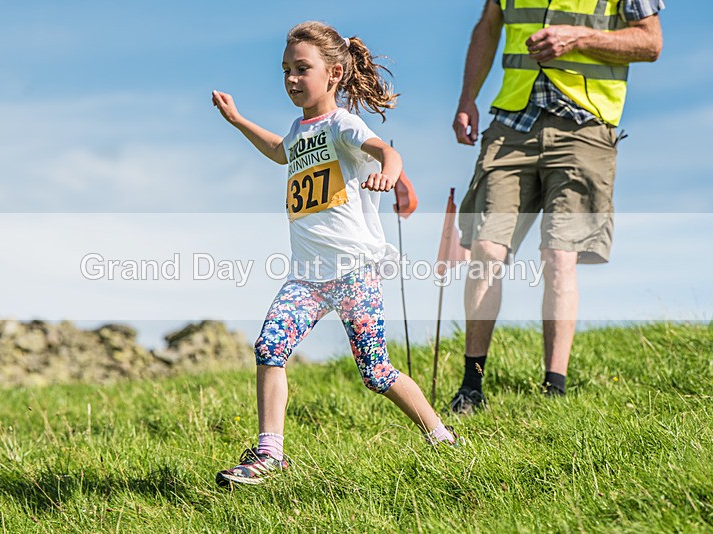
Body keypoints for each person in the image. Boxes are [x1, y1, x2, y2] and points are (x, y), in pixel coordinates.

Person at [211, 21, 458, 487]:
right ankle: (270, 454)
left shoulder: (343, 125)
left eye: (302, 69)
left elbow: (387, 150)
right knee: (269, 347)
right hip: (306, 277)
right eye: (285, 70)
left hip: (353, 273)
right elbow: (281, 152)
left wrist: (390, 172)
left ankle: (440, 436)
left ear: (335, 73)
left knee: (377, 372)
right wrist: (239, 121)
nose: (291, 79)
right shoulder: (298, 129)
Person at [450, 0, 664, 413]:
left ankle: (555, 389)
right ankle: (471, 388)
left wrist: (579, 38)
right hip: (512, 123)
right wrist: (467, 97)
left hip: (585, 125)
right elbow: (487, 27)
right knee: (486, 250)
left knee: (558, 256)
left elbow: (650, 42)